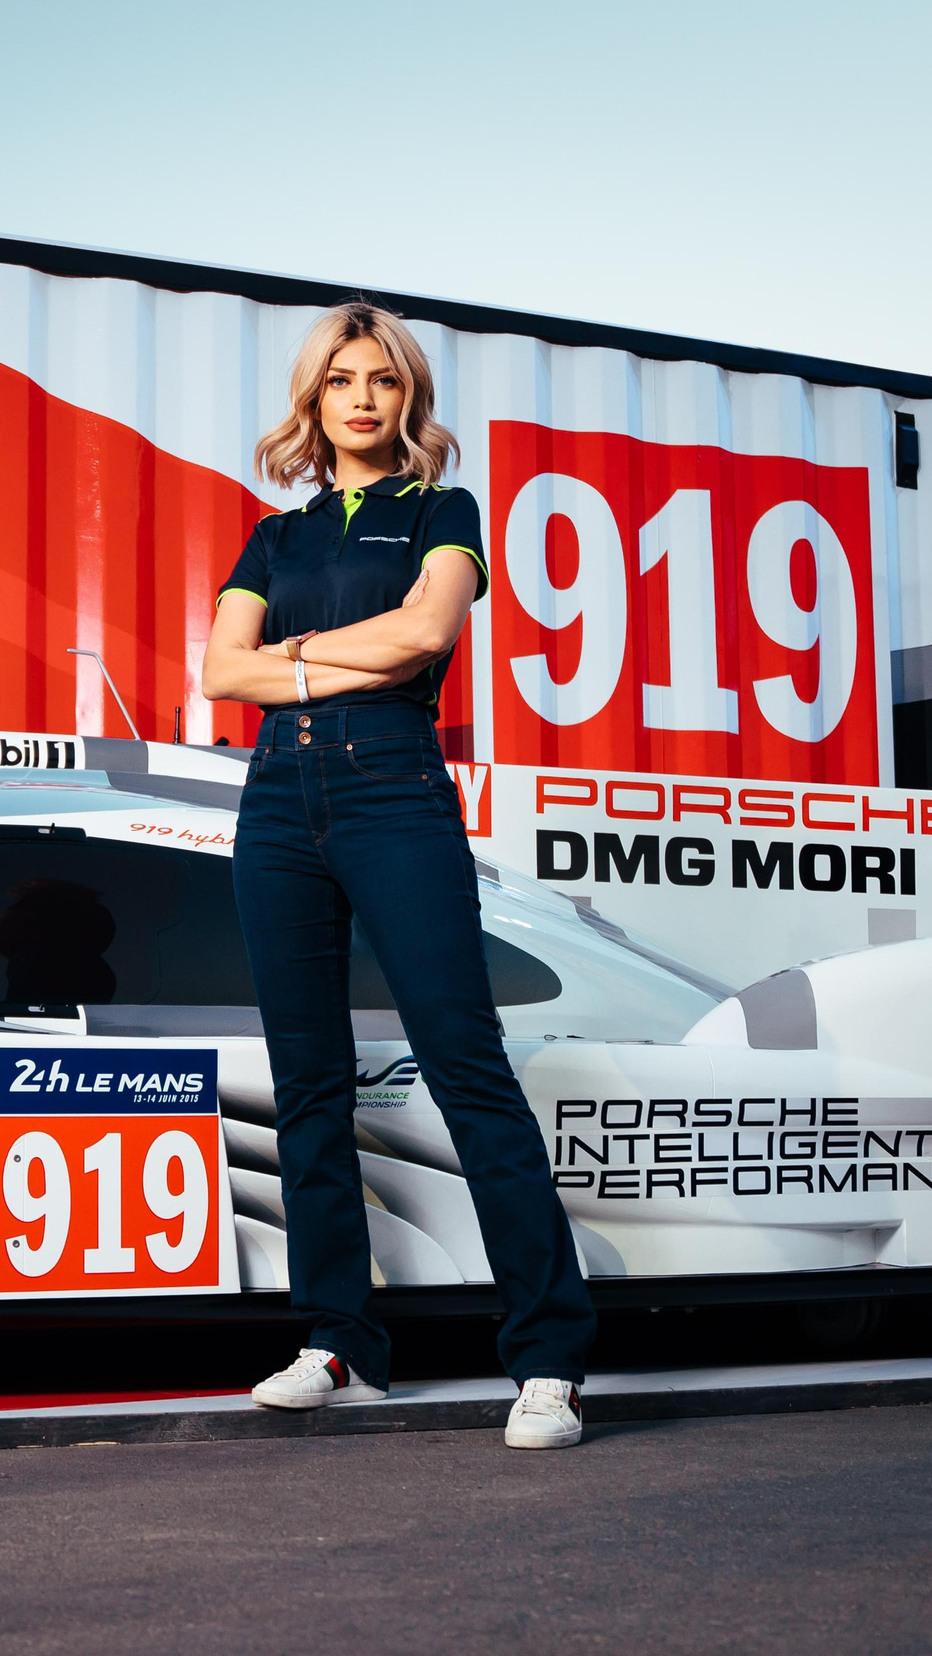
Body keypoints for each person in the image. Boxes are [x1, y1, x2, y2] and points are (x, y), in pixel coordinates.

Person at [201, 303, 595, 1450]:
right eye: (340, 381)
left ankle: (549, 1359)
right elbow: (221, 668)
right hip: (276, 806)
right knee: (309, 1083)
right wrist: (322, 660)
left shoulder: (443, 511)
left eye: (381, 380)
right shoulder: (276, 536)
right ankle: (338, 1344)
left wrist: (292, 660)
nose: (362, 397)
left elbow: (427, 634)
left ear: (406, 398)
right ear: (313, 403)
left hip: (392, 792)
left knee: (465, 1062)